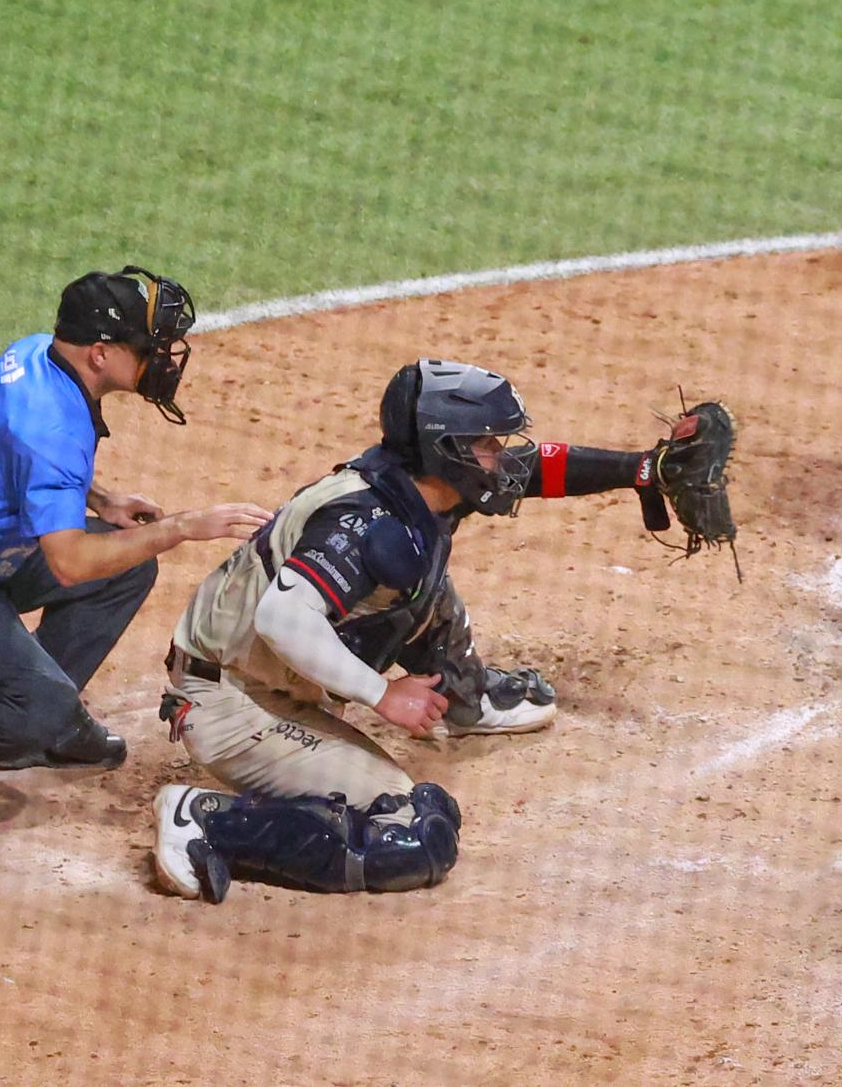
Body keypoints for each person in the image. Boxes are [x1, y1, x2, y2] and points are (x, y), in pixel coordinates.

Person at [151, 359, 727, 901]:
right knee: (412, 833)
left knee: (421, 590)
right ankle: (206, 820)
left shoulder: (424, 488)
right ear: (443, 450)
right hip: (229, 702)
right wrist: (383, 695)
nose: (502, 456)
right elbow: (280, 619)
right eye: (486, 444)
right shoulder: (365, 524)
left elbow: (538, 471)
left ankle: (462, 696)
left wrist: (641, 469)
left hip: (265, 673)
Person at [0, 267, 272, 845]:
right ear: (99, 353)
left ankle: (50, 726)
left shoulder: (38, 354)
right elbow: (69, 563)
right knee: (40, 693)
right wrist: (185, 527)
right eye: (149, 348)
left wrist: (102, 499)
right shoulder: (53, 421)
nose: (163, 359)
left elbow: (17, 455)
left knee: (126, 566)